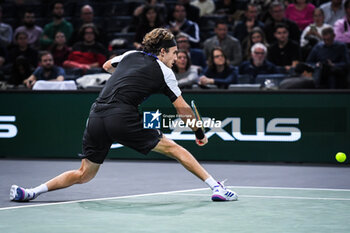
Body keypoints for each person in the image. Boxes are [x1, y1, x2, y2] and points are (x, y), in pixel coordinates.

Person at [10, 28, 238, 202]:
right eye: (174, 53)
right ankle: (217, 187)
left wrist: (130, 75)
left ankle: (30, 192)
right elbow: (183, 109)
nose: (176, 57)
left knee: (84, 173)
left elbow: (108, 65)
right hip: (121, 116)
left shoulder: (130, 54)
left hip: (96, 115)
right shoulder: (165, 72)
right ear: (162, 52)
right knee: (175, 149)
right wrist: (199, 132)